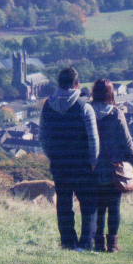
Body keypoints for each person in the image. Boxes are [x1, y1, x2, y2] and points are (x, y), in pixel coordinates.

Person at [39, 67, 99, 250]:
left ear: (59, 83)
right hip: (82, 164)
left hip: (59, 163)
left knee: (64, 204)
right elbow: (93, 139)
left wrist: (53, 156)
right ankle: (86, 243)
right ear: (77, 84)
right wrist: (93, 162)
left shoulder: (47, 106)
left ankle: (68, 242)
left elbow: (43, 137)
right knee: (88, 204)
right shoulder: (84, 107)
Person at [90, 79, 133, 252]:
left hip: (92, 167)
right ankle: (112, 245)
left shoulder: (86, 112)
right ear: (111, 93)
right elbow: (127, 143)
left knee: (98, 207)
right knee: (114, 207)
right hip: (114, 168)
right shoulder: (116, 114)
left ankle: (98, 243)